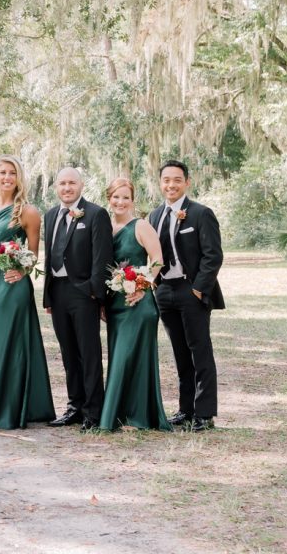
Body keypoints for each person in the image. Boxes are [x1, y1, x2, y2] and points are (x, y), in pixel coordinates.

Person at [0, 156, 55, 430]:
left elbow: (32, 253)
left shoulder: (28, 211)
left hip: (15, 285)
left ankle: (12, 408)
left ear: (19, 178)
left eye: (12, 173)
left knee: (13, 341)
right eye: (2, 173)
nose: (7, 177)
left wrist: (21, 272)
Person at [150, 160, 224, 432]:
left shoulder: (200, 214)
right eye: (166, 180)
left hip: (190, 290)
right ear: (160, 183)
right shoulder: (154, 216)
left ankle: (204, 413)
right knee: (180, 353)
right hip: (164, 291)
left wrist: (198, 288)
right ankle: (186, 409)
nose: (171, 184)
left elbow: (213, 255)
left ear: (187, 183)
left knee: (200, 351)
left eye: (176, 180)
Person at [43, 167, 114, 431]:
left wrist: (95, 293)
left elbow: (102, 257)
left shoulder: (96, 214)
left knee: (89, 352)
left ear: (81, 185)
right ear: (56, 187)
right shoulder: (50, 215)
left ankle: (93, 412)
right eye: (62, 183)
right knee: (68, 352)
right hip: (58, 292)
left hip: (84, 293)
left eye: (72, 183)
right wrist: (48, 295)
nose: (67, 187)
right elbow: (48, 255)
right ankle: (74, 406)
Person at [100, 177, 169, 431]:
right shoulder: (105, 227)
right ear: (109, 199)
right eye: (116, 197)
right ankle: (121, 414)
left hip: (139, 303)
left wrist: (143, 285)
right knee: (119, 357)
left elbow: (158, 259)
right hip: (116, 303)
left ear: (132, 200)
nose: (120, 202)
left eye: (125, 197)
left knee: (132, 357)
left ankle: (137, 416)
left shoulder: (141, 225)